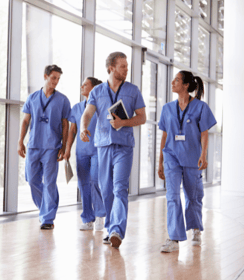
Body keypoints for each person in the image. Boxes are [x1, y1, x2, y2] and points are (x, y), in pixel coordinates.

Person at [80, 52, 146, 248]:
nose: (127, 69)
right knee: (106, 189)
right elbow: (88, 113)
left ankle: (117, 229)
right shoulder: (97, 91)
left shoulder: (133, 91)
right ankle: (110, 228)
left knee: (119, 188)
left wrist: (123, 122)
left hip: (124, 146)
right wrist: (84, 128)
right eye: (123, 66)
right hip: (102, 146)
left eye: (126, 66)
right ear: (111, 68)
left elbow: (141, 117)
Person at [157, 70, 216, 253]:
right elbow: (164, 135)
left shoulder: (200, 107)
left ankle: (196, 227)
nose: (173, 82)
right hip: (171, 157)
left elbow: (204, 133)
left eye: (176, 80)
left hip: (192, 157)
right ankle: (174, 238)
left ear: (186, 85)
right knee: (172, 196)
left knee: (193, 197)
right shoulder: (167, 108)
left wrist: (203, 155)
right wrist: (160, 161)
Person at [18, 64, 71, 230]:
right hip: (34, 145)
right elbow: (26, 121)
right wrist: (20, 141)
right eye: (53, 78)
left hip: (52, 147)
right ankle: (45, 209)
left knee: (49, 182)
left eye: (58, 79)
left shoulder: (62, 100)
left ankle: (48, 218)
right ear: (45, 76)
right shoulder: (32, 98)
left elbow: (65, 125)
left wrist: (63, 145)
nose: (56, 82)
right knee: (31, 179)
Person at [64, 77, 106, 231]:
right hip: (81, 152)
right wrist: (67, 149)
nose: (82, 86)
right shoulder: (76, 108)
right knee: (83, 185)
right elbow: (72, 130)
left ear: (94, 88)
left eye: (86, 84)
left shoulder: (101, 107)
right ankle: (88, 218)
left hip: (97, 150)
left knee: (95, 181)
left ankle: (100, 215)